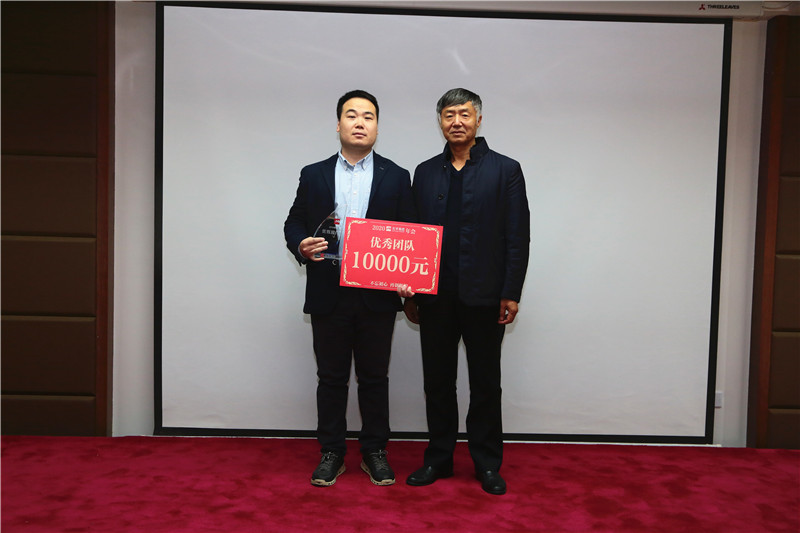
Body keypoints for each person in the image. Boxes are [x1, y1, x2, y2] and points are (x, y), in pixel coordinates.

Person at [399, 88, 530, 495]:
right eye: (449, 114)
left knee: (486, 384)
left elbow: (518, 236)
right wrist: (411, 293)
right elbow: (413, 236)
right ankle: (438, 459)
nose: (457, 121)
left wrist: (511, 291)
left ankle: (487, 463)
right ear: (440, 121)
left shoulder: (506, 170)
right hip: (434, 296)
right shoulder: (425, 172)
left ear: (478, 119)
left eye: (465, 114)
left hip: (486, 296)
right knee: (437, 382)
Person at [284, 90, 416, 487]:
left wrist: (410, 275)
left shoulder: (397, 176)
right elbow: (294, 222)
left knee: (375, 378)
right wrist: (301, 245)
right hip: (328, 291)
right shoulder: (314, 173)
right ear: (338, 123)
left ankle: (375, 452)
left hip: (377, 294)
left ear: (377, 126)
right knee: (331, 378)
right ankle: (332, 452)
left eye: (368, 116)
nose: (360, 122)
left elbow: (410, 233)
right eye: (352, 115)